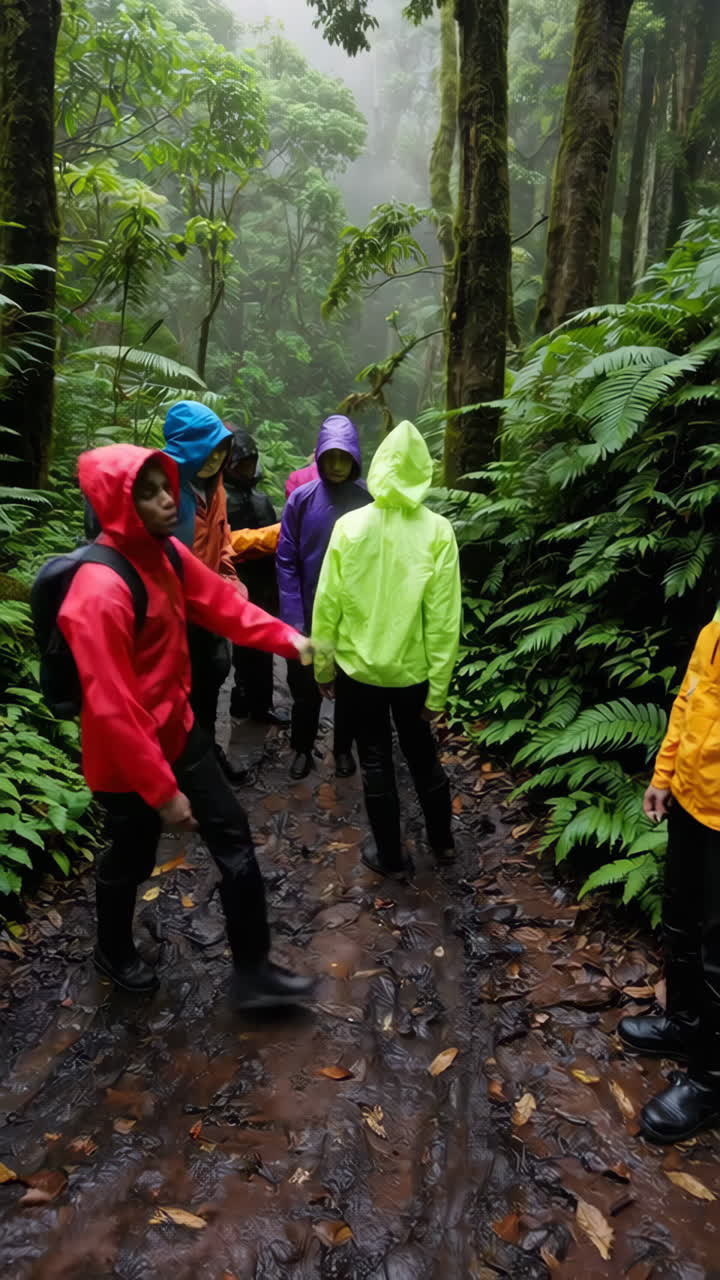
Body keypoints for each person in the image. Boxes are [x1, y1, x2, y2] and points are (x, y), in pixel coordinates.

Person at [58, 443, 314, 1007]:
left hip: (180, 734)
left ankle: (254, 974)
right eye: (146, 493)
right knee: (130, 855)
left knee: (234, 840)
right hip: (125, 760)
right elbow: (111, 705)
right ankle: (112, 947)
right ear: (114, 504)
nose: (165, 499)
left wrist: (288, 640)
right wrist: (162, 792)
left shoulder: (169, 554)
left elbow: (222, 604)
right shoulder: (97, 592)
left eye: (164, 485)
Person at [312, 420, 461, 878]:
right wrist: (438, 692)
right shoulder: (438, 532)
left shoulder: (350, 527)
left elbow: (327, 603)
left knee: (375, 760)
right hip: (413, 675)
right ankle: (443, 845)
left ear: (376, 468)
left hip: (360, 674)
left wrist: (323, 667)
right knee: (422, 756)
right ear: (423, 472)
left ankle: (391, 857)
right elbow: (444, 622)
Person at [618, 615, 720, 1142]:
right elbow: (691, 697)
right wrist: (665, 775)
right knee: (680, 919)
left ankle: (710, 1080)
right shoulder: (716, 621)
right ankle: (684, 1023)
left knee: (716, 955)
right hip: (692, 798)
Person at [276, 414, 371, 781]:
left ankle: (343, 747)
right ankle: (301, 747)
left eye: (342, 457)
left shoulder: (367, 500)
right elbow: (286, 560)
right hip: (309, 610)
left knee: (349, 687)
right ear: (319, 458)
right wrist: (295, 619)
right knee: (303, 687)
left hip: (351, 616)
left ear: (354, 458)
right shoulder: (301, 500)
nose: (335, 465)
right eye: (329, 457)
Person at [224, 426, 286, 726]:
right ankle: (246, 700)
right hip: (238, 582)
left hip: (264, 582)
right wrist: (266, 537)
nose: (247, 469)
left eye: (250, 462)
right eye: (241, 464)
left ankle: (258, 703)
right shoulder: (220, 498)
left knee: (261, 647)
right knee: (244, 647)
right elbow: (221, 543)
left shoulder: (260, 498)